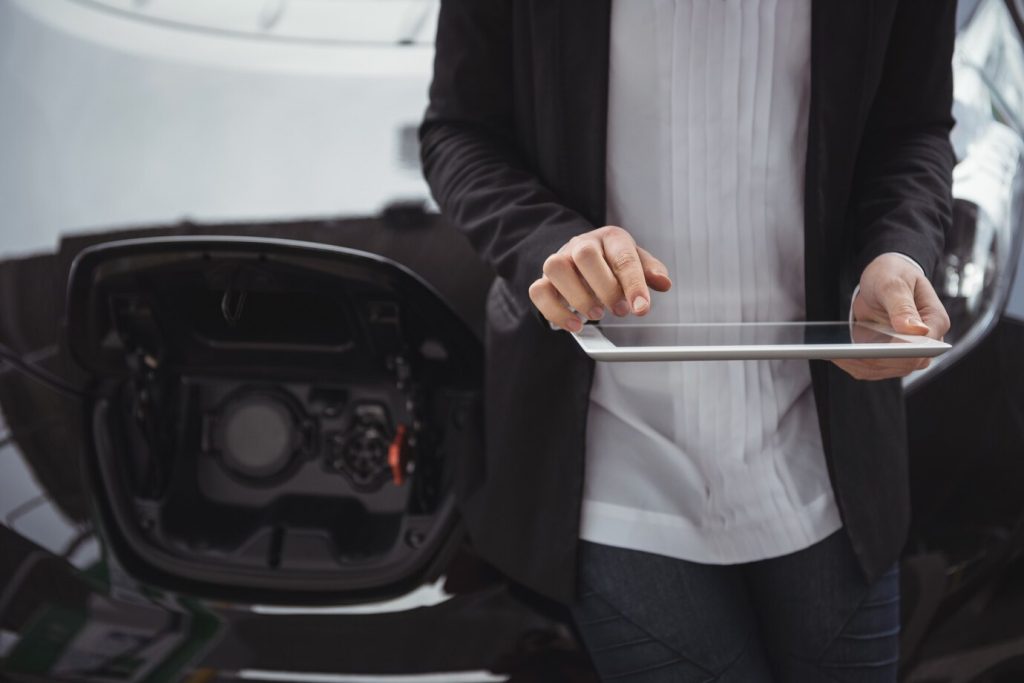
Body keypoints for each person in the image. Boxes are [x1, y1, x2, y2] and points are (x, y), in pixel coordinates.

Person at [419, 1, 955, 681]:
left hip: (830, 451)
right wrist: (548, 243)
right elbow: (459, 131)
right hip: (610, 450)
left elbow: (913, 131)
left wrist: (898, 253)